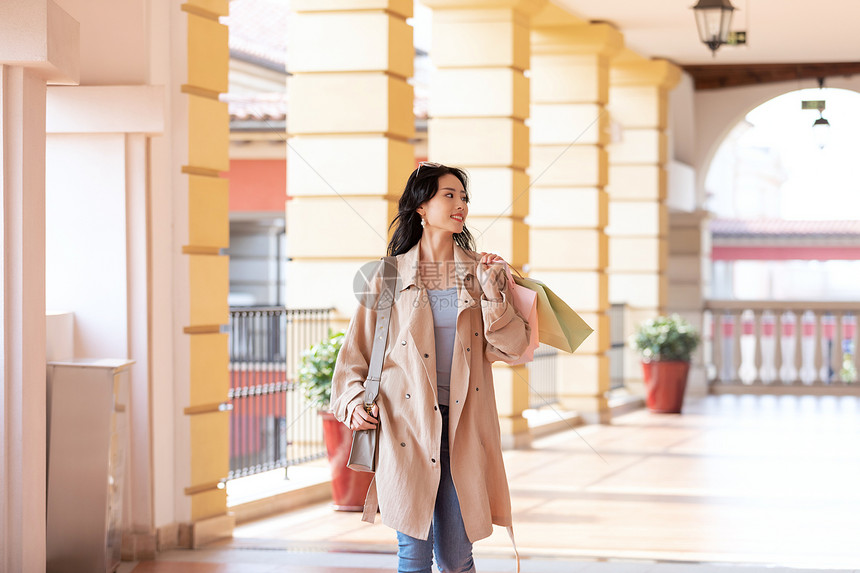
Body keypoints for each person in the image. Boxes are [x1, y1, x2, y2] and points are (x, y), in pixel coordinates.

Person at [330, 162, 531, 573]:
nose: (461, 205)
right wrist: (352, 401)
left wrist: (495, 293)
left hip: (463, 428)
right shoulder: (388, 275)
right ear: (421, 206)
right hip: (405, 426)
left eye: (464, 197)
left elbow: (513, 348)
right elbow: (354, 356)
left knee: (457, 557)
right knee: (414, 555)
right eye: (449, 195)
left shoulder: (482, 272)